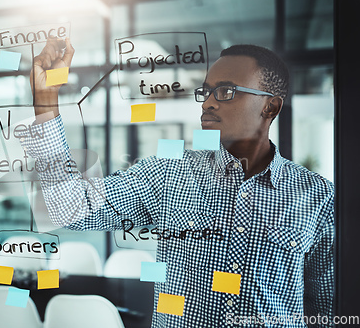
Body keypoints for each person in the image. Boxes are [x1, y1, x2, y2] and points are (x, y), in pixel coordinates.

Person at [20, 38, 334, 327]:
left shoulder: (318, 196)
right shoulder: (169, 175)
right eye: (206, 91)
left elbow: (325, 308)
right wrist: (46, 104)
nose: (207, 103)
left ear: (271, 107)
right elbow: (69, 208)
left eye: (225, 91)